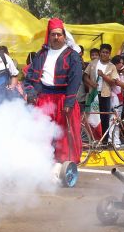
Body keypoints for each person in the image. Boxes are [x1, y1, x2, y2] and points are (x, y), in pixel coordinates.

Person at [23, 18, 83, 164]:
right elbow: (29, 76)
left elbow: (76, 79)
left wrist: (69, 101)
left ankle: (64, 166)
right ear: (48, 36)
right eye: (53, 34)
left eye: (59, 34)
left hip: (64, 98)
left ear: (64, 36)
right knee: (41, 133)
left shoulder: (72, 55)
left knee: (65, 135)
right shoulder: (41, 54)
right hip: (44, 99)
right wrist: (31, 93)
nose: (56, 37)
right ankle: (41, 165)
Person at [83, 44, 119, 141]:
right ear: (100, 52)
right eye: (103, 52)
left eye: (107, 52)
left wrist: (103, 75)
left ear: (110, 54)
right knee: (91, 117)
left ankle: (104, 141)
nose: (104, 54)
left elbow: (113, 82)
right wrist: (91, 83)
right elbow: (85, 76)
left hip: (105, 95)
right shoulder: (93, 63)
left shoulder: (112, 66)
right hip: (92, 94)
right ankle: (92, 140)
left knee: (104, 118)